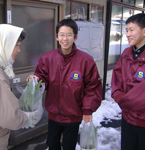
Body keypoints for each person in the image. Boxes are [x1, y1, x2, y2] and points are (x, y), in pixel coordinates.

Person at [28, 19, 102, 150]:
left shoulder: (86, 60)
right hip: (54, 114)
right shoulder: (47, 58)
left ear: (75, 36)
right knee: (52, 144)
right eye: (61, 34)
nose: (65, 38)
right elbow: (42, 79)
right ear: (56, 37)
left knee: (69, 146)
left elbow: (92, 86)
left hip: (74, 114)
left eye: (69, 34)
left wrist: (87, 109)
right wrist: (35, 80)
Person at [0, 24, 37, 150]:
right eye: (16, 45)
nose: (18, 50)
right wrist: (27, 118)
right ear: (2, 44)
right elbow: (8, 118)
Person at [111, 13, 145, 150]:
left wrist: (125, 100)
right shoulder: (126, 53)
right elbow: (116, 78)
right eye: (126, 30)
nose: (127, 34)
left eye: (131, 30)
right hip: (127, 118)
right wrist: (118, 95)